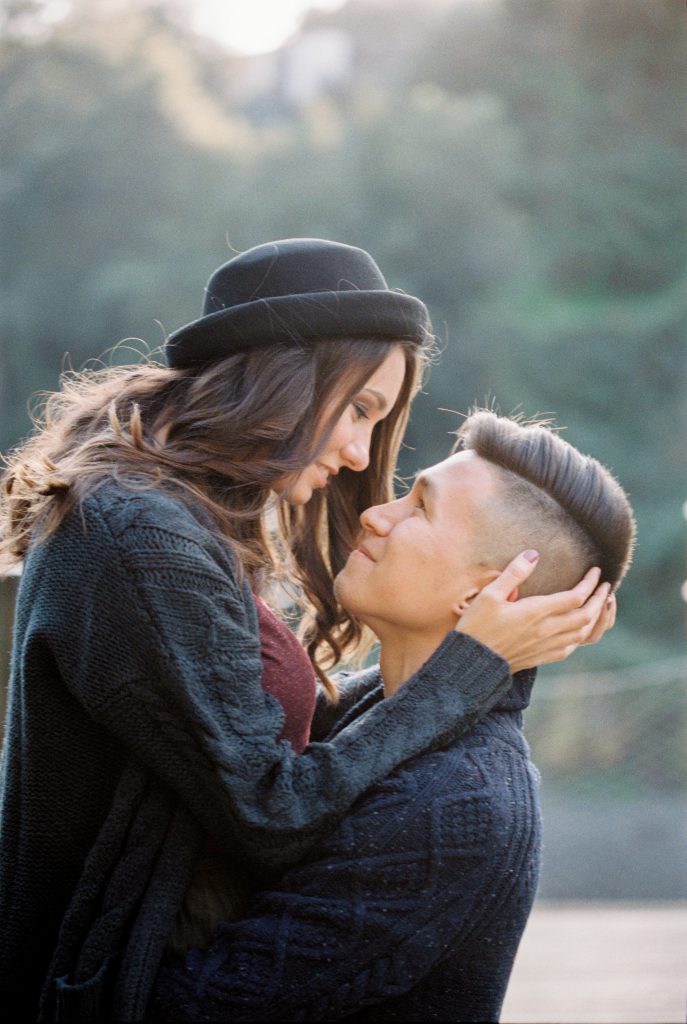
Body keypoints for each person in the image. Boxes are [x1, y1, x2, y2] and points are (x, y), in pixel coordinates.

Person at [0, 239, 612, 1024]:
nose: (361, 454)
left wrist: (469, 661)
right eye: (357, 408)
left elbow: (233, 744)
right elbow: (268, 808)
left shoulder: (183, 518)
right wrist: (469, 663)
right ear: (281, 378)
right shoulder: (142, 537)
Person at [151, 409, 635, 1022]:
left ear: (491, 595)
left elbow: (193, 1006)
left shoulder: (457, 804)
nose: (377, 514)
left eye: (420, 509)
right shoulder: (376, 720)